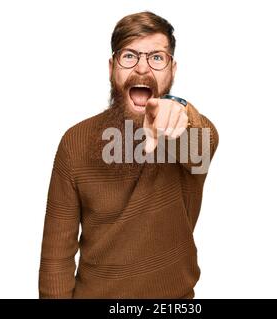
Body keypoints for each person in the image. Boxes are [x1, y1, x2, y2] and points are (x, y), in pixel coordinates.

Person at [38, 11, 219, 299]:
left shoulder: (185, 137)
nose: (143, 69)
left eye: (157, 57)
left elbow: (204, 142)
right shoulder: (75, 142)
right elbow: (55, 261)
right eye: (130, 56)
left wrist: (181, 111)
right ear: (112, 67)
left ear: (173, 70)